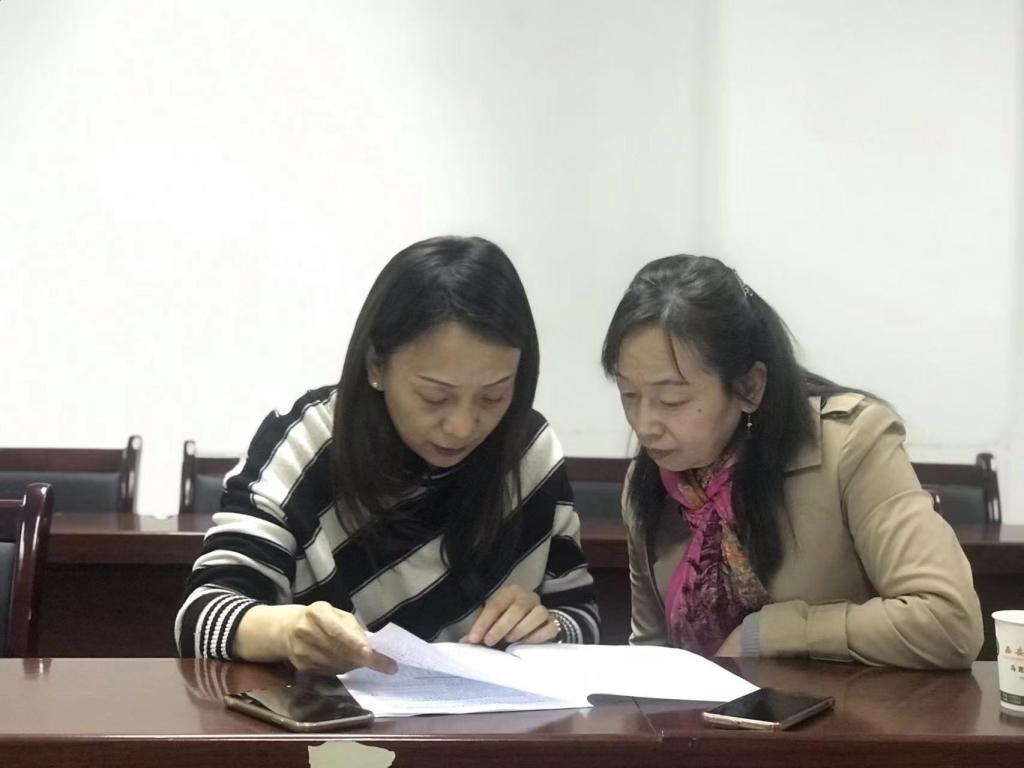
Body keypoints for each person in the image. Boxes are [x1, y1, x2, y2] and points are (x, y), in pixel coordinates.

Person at [175, 236, 599, 673]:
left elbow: (582, 618)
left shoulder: (527, 453)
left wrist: (547, 627)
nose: (463, 426)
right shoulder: (304, 444)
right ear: (377, 365)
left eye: (493, 396)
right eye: (435, 397)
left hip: (488, 715)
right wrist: (287, 632)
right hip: (328, 714)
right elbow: (201, 617)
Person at [602, 254, 982, 669]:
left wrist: (773, 634)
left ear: (749, 387)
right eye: (629, 395)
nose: (645, 425)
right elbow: (652, 653)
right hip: (703, 711)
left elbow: (948, 620)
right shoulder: (651, 482)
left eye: (673, 399)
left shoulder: (850, 446)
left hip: (844, 708)